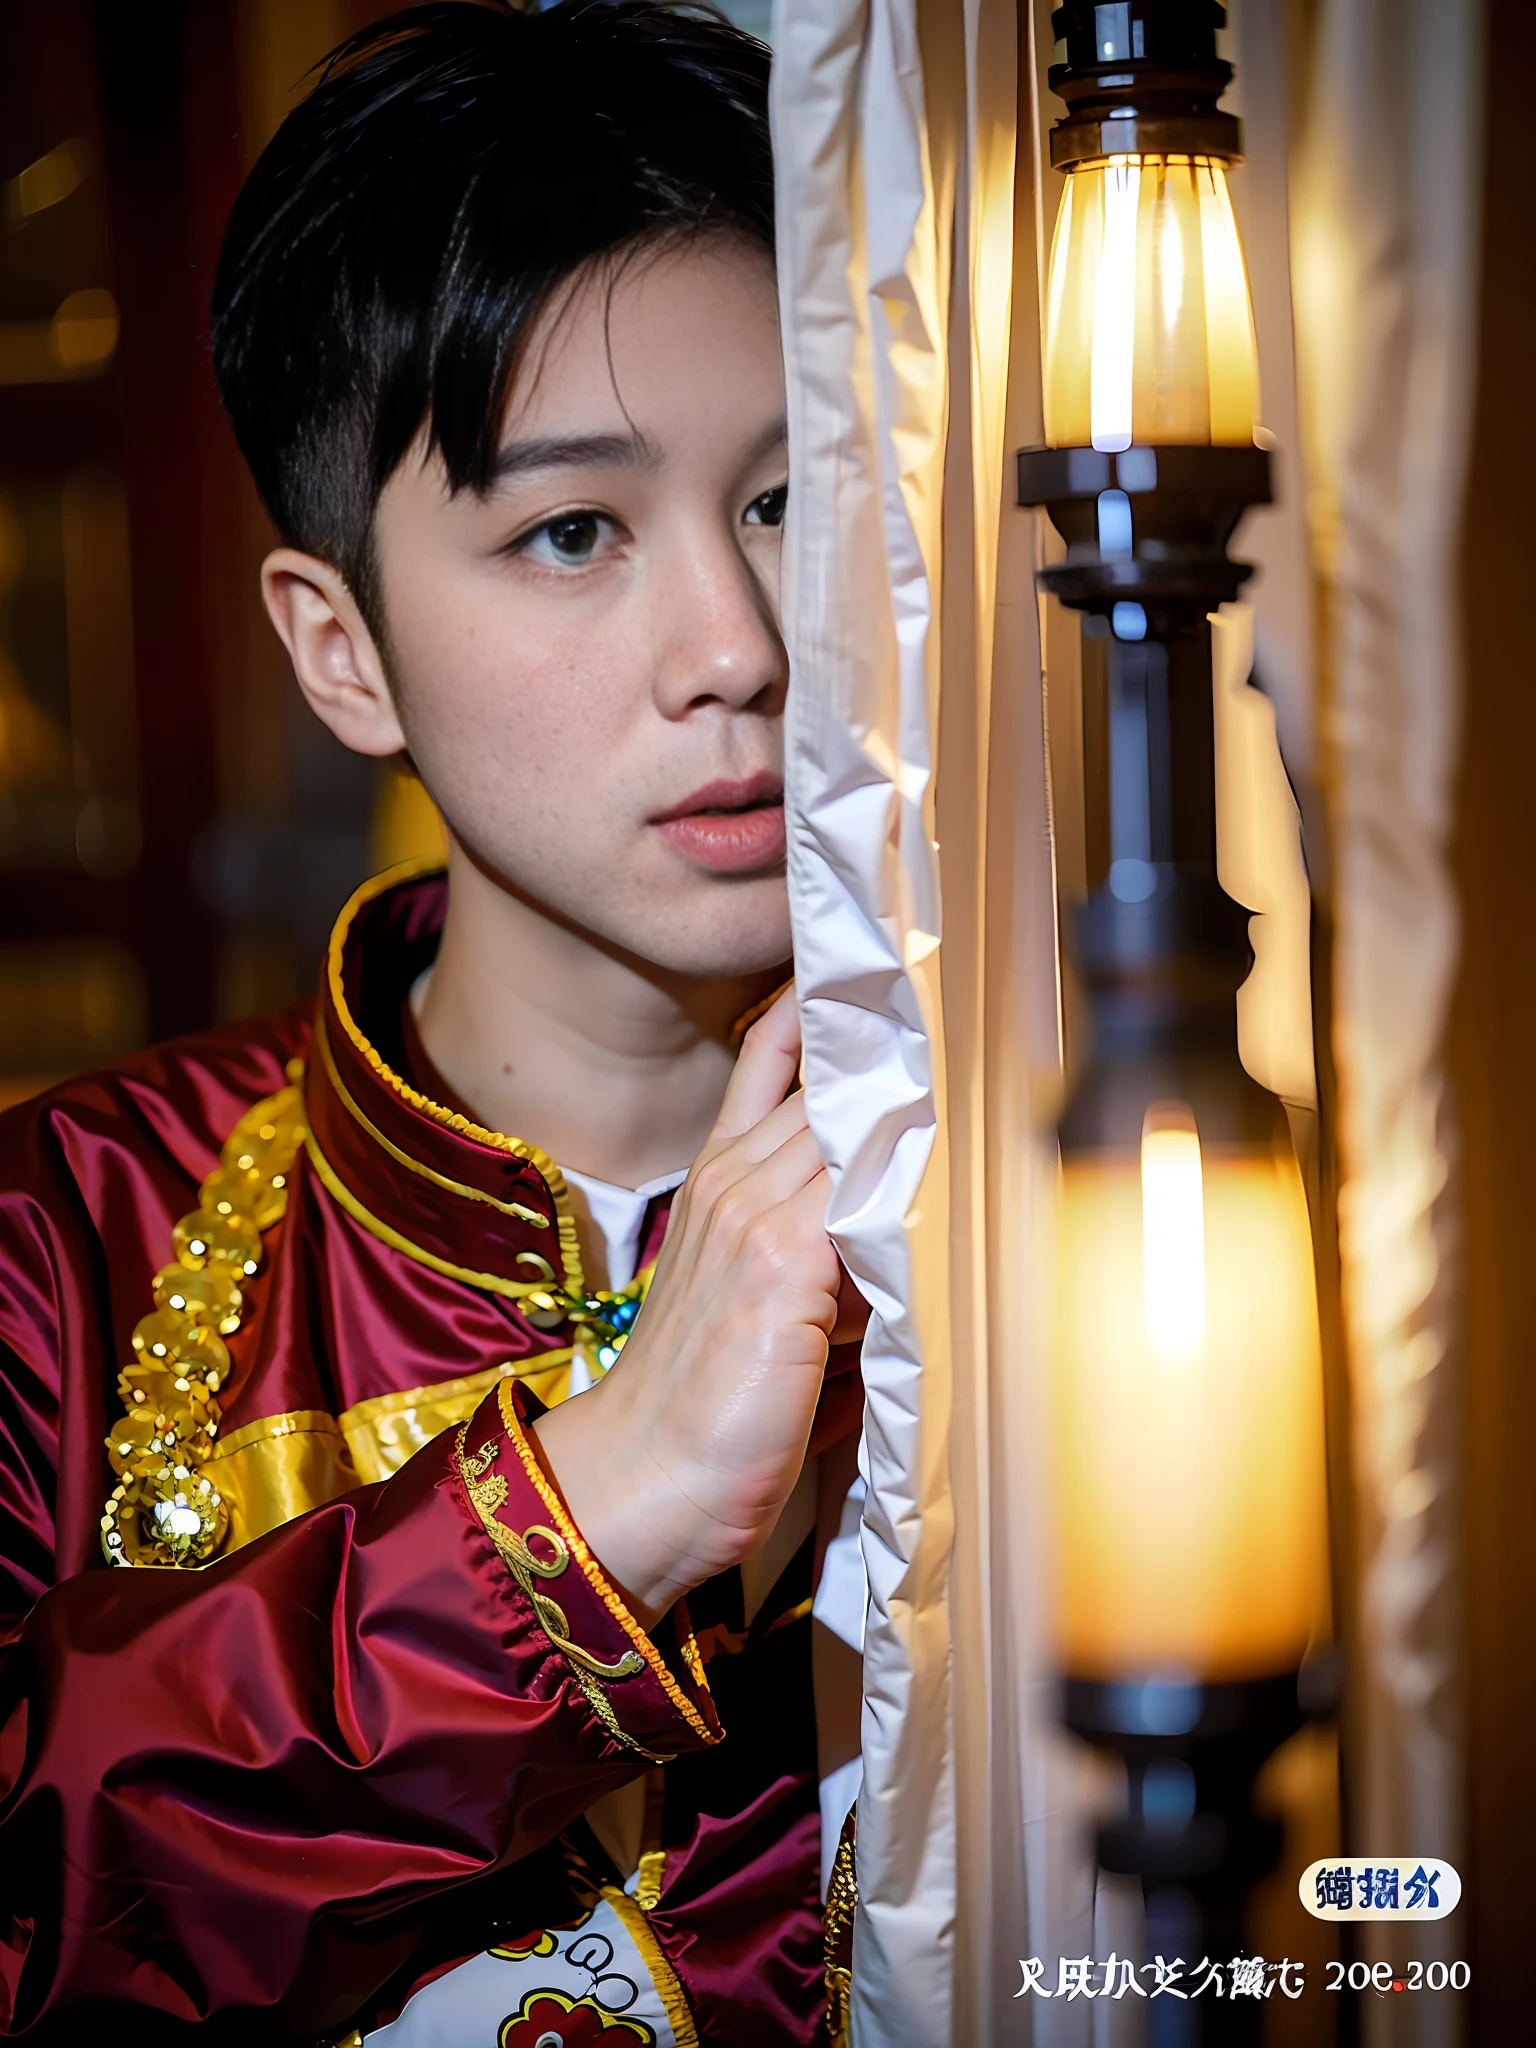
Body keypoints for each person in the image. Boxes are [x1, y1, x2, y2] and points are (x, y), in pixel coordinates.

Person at [0, 5, 867, 2041]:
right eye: (573, 530)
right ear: (343, 649)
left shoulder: (1074, 1185)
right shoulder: (67, 1242)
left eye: (789, 502)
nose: (737, 649)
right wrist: (598, 1505)